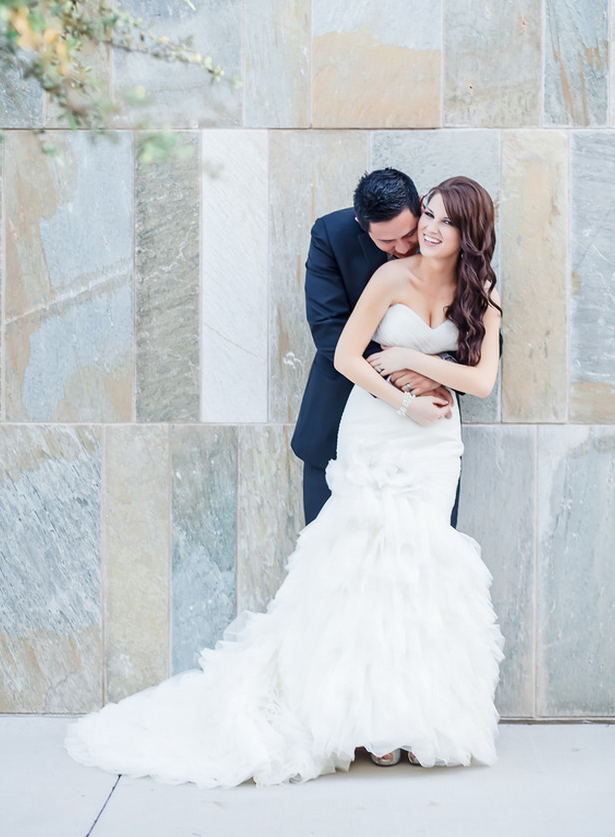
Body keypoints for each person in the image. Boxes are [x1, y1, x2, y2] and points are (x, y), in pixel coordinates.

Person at [65, 176, 503, 787]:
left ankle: (414, 719)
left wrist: (414, 362)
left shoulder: (479, 287)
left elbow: (481, 381)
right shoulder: (385, 277)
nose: (423, 232)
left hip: (436, 446)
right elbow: (348, 355)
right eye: (423, 216)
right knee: (361, 569)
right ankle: (363, 722)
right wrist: (405, 398)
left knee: (421, 574)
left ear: (468, 233)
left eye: (438, 221)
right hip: (380, 428)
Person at [292, 167, 455, 526]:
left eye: (408, 233)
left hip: (425, 438)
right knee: (335, 563)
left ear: (422, 207)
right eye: (385, 242)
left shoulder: (448, 242)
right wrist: (405, 382)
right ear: (360, 224)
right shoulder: (331, 236)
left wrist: (436, 368)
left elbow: (487, 342)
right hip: (338, 426)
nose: (402, 248)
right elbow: (329, 334)